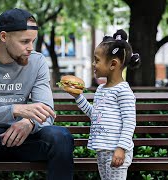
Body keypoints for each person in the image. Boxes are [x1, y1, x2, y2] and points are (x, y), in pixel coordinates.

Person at [0, 8, 74, 180]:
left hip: (24, 137)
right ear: (4, 37)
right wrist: (15, 110)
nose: (30, 48)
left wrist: (30, 122)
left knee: (61, 136)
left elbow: (46, 111)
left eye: (33, 41)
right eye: (24, 41)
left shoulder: (38, 61)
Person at [65, 30, 140, 180]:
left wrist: (121, 148)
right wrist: (78, 97)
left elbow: (129, 122)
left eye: (97, 60)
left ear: (113, 64)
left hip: (116, 151)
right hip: (102, 150)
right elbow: (95, 115)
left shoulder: (123, 91)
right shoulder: (101, 89)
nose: (93, 64)